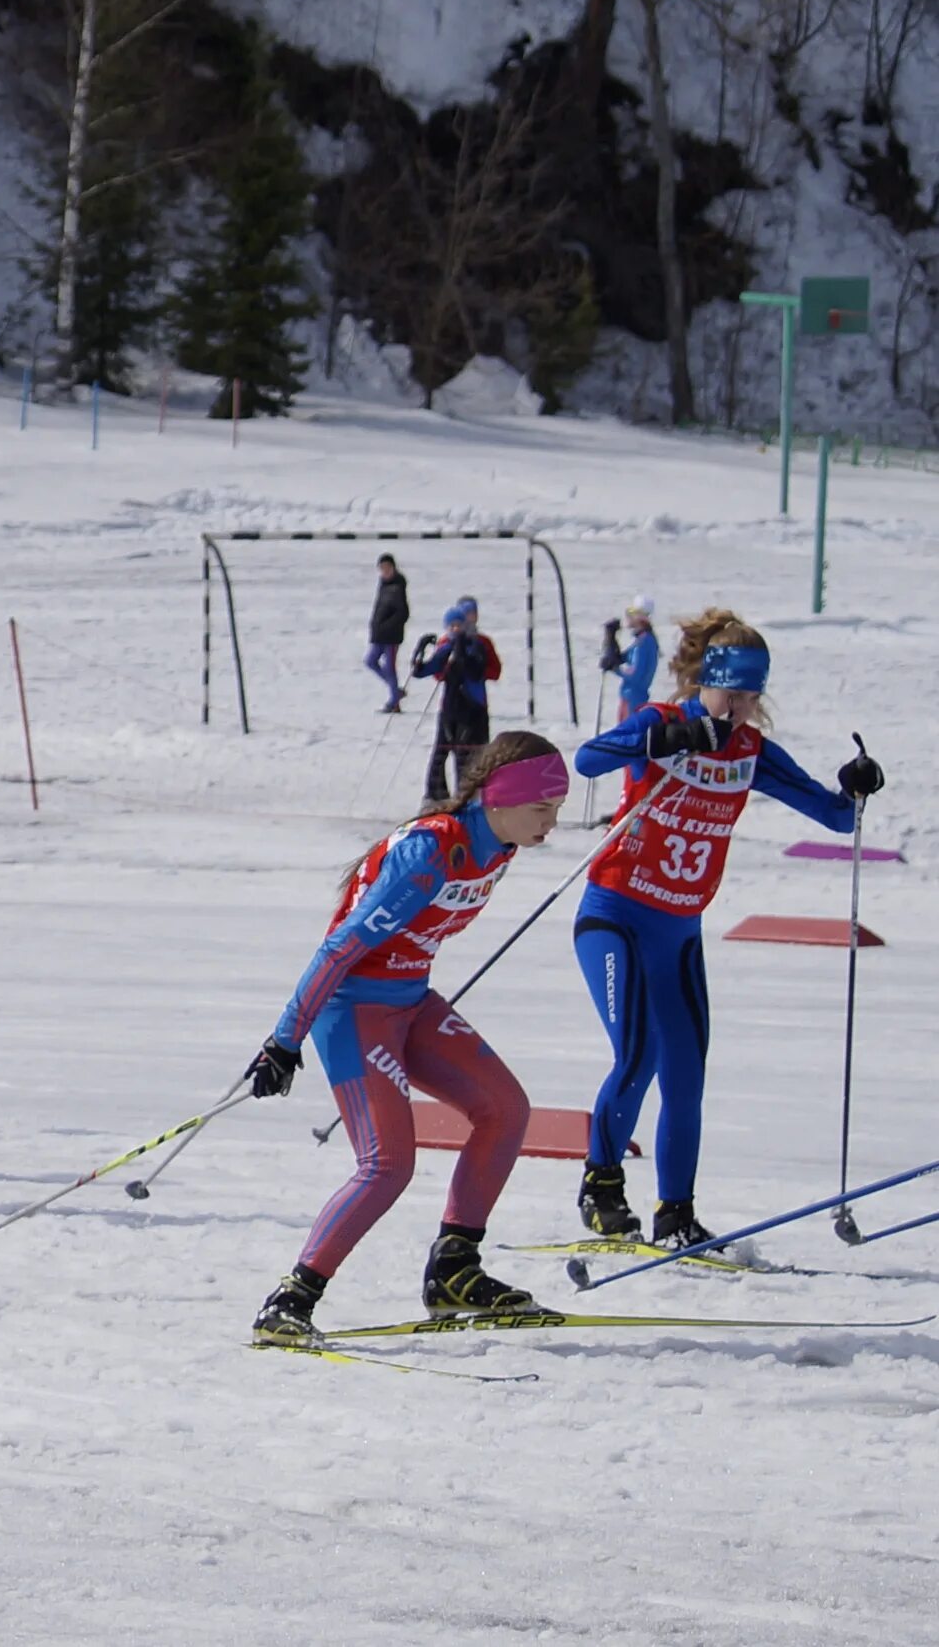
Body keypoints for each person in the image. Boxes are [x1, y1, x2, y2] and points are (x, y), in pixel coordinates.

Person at [245, 732, 572, 1342]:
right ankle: (290, 1299)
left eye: (555, 811)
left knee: (505, 1109)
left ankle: (455, 1268)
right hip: (352, 1008)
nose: (552, 825)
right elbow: (340, 947)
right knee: (387, 1165)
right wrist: (283, 1042)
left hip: (410, 1002)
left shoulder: (498, 845)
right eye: (542, 809)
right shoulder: (431, 852)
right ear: (499, 797)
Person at [566, 613, 877, 1250]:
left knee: (686, 1071)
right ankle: (601, 1187)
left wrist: (856, 785)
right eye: (729, 695)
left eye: (750, 697)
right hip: (615, 913)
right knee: (638, 1054)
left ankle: (676, 1214)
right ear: (705, 683)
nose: (737, 710)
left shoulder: (748, 751)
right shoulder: (662, 722)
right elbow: (588, 760)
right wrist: (668, 738)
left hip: (678, 931)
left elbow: (834, 815)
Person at [410, 598, 499, 802]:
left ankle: (468, 795)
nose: (457, 628)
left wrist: (464, 657)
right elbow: (431, 670)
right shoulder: (446, 645)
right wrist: (419, 654)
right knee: (441, 750)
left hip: (472, 708)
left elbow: (482, 671)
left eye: (461, 623)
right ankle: (436, 794)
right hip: (450, 708)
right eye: (453, 625)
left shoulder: (477, 644)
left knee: (467, 754)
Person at [598, 596, 659, 793]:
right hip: (628, 697)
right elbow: (623, 658)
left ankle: (635, 791)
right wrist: (611, 642)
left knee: (631, 746)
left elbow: (635, 674)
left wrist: (615, 668)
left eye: (632, 615)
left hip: (635, 699)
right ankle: (629, 791)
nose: (629, 619)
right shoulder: (639, 641)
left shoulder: (645, 643)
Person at [364, 554, 409, 713]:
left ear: (394, 568)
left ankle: (394, 701)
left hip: (391, 636)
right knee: (370, 661)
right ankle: (396, 691)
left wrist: (388, 626)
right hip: (379, 633)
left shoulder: (397, 586)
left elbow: (403, 613)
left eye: (387, 568)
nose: (385, 571)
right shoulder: (383, 584)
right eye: (382, 568)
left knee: (390, 667)